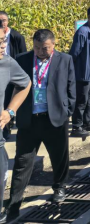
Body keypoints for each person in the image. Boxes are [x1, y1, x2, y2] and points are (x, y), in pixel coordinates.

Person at [4, 30, 76, 220]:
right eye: (36, 48)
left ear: (54, 44)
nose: (40, 52)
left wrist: (67, 111)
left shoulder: (65, 59)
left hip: (54, 119)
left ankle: (59, 187)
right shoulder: (22, 59)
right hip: (29, 120)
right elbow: (12, 87)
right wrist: (10, 112)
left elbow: (71, 87)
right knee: (22, 162)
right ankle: (14, 203)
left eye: (45, 48)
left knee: (59, 157)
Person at [0, 28, 32, 223]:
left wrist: (10, 111)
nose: (2, 46)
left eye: (3, 40)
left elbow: (25, 84)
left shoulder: (7, 63)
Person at [69, 5, 90, 137]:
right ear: (89, 17)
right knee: (81, 100)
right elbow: (75, 53)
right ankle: (77, 126)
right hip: (83, 72)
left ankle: (87, 121)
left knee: (89, 99)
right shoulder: (82, 32)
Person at [0, 11, 27, 140]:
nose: (2, 23)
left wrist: (10, 111)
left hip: (13, 73)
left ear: (8, 21)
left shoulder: (17, 36)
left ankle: (7, 126)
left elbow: (23, 54)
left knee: (8, 101)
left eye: (4, 20)